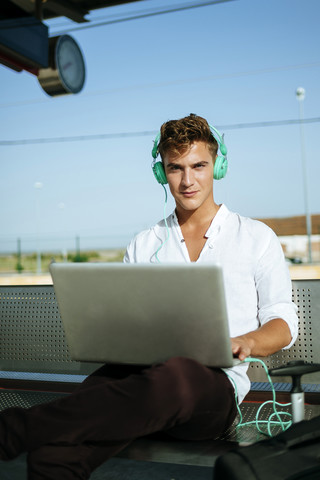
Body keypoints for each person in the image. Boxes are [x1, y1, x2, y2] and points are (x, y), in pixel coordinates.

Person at [0, 114, 298, 479]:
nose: (188, 181)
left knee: (178, 374)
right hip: (141, 385)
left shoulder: (255, 237)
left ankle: (13, 429)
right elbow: (124, 323)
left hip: (210, 393)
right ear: (162, 173)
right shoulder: (145, 243)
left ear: (217, 166)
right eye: (175, 168)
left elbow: (283, 324)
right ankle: (24, 434)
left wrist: (244, 341)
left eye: (199, 166)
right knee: (55, 451)